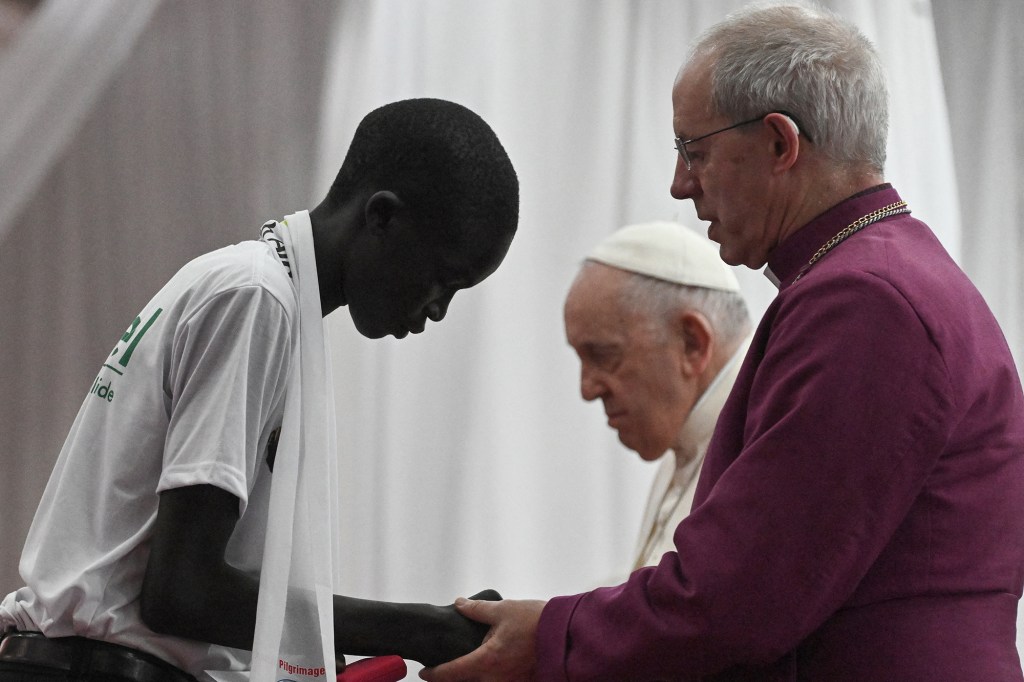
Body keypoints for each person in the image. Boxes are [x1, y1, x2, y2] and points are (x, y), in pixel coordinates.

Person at [421, 3, 1024, 681]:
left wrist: (552, 638)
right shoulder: (878, 273)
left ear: (779, 143)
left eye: (694, 151)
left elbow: (741, 596)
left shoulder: (866, 299)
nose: (681, 184)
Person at [0, 97, 519, 681]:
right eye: (444, 278)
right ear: (382, 217)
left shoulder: (263, 295)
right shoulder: (256, 298)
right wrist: (419, 628)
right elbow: (181, 592)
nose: (440, 309)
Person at [562, 221, 752, 572]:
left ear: (692, 343)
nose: (587, 389)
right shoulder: (684, 440)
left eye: (603, 355)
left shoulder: (763, 443)